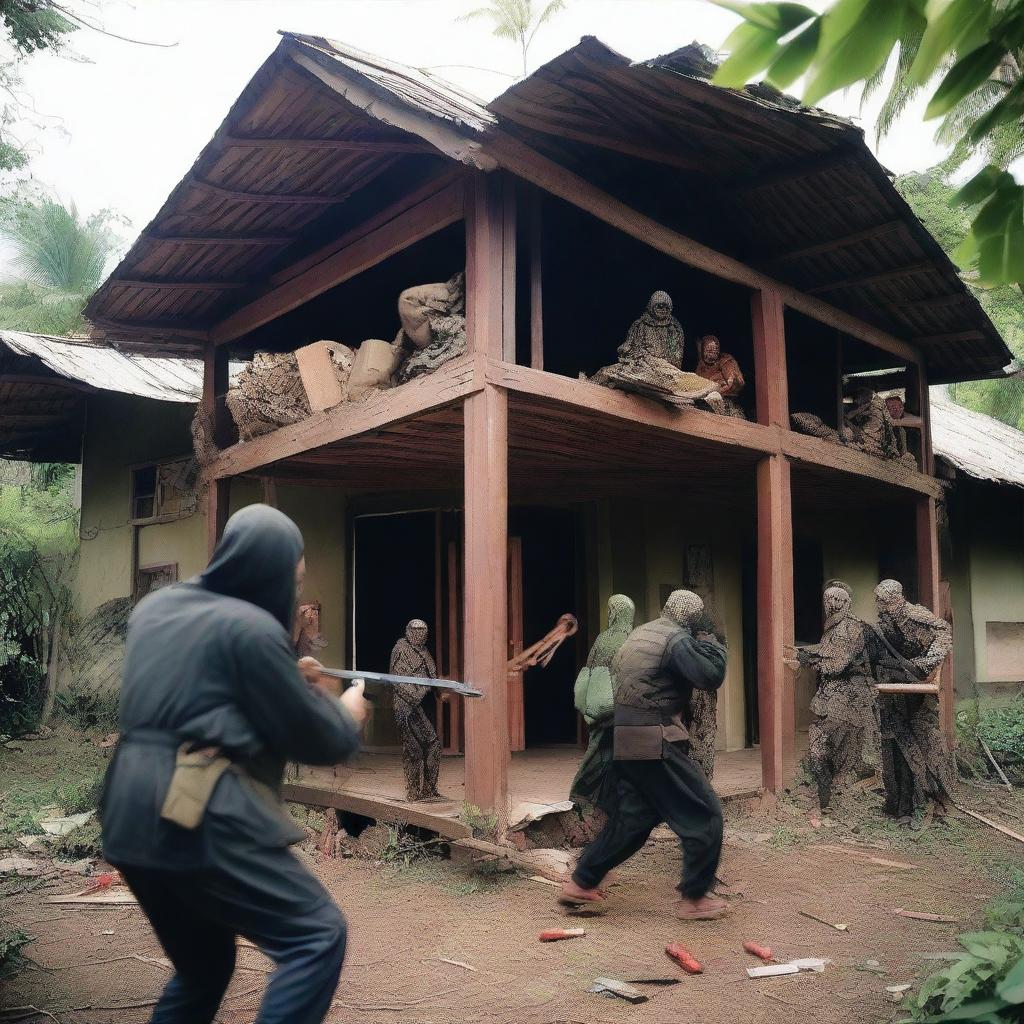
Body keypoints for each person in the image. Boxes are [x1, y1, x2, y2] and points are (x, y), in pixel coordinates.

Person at [101, 504, 369, 1024]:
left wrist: (289, 674)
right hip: (195, 796)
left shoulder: (157, 609)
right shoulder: (251, 630)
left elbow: (203, 686)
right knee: (315, 934)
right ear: (272, 571)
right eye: (293, 577)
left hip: (127, 805)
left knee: (203, 966)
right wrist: (345, 709)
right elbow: (321, 740)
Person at [560, 590, 729, 920]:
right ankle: (695, 899)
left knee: (633, 820)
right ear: (691, 619)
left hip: (625, 738)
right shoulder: (676, 640)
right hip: (656, 739)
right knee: (705, 813)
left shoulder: (642, 632)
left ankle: (582, 881)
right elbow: (710, 676)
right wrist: (711, 640)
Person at [869, 579, 956, 820]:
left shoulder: (916, 614)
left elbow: (944, 633)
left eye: (883, 601)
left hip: (919, 695)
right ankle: (899, 807)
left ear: (895, 599)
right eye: (878, 601)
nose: (879, 606)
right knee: (895, 751)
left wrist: (925, 663)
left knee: (926, 747)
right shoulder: (883, 625)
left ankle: (940, 804)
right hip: (894, 694)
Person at [797, 584, 876, 809]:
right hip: (834, 693)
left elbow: (837, 664)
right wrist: (804, 652)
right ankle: (827, 796)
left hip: (849, 694)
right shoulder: (833, 626)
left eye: (836, 600)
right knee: (828, 741)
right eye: (828, 600)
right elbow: (826, 651)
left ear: (846, 603)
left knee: (827, 740)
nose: (832, 605)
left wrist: (812, 661)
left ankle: (829, 795)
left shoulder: (850, 628)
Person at [570, 594, 636, 809]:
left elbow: (589, 672)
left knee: (598, 752)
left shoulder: (603, 639)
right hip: (625, 708)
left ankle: (582, 796)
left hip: (602, 708)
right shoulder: (633, 639)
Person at [389, 619, 445, 802]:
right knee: (413, 750)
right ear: (409, 631)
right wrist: (421, 691)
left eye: (423, 630)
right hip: (405, 707)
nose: (420, 633)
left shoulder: (424, 650)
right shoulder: (401, 649)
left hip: (419, 706)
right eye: (416, 630)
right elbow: (399, 682)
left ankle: (429, 790)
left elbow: (430, 677)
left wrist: (439, 691)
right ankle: (413, 793)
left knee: (434, 746)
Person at [695, 334, 746, 418]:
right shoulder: (701, 366)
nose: (712, 353)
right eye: (708, 350)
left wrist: (715, 392)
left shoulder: (725, 361)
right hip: (702, 405)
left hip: (725, 406)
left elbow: (734, 382)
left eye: (715, 350)